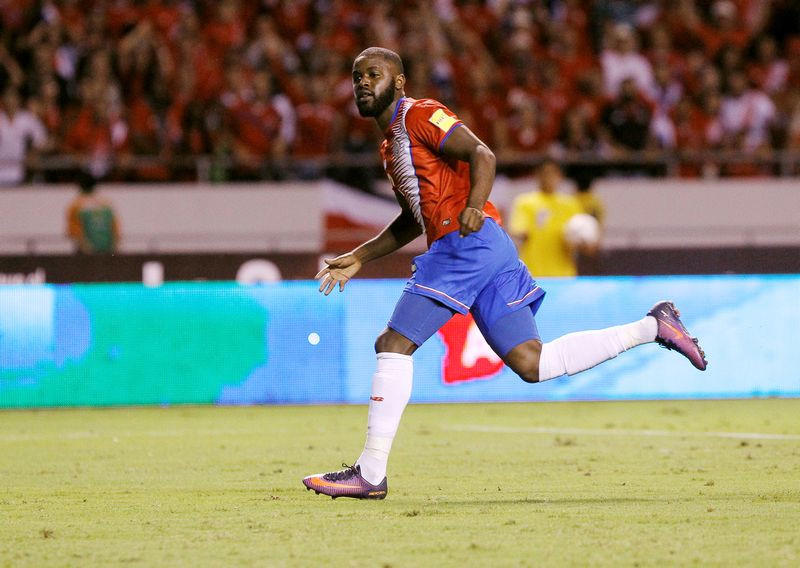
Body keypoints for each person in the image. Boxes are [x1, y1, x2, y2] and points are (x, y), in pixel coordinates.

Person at [302, 47, 707, 501]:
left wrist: (473, 206)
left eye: (372, 74)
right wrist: (360, 255)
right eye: (356, 76)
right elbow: (412, 218)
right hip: (484, 247)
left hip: (466, 243)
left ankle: (370, 473)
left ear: (398, 82)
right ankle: (653, 326)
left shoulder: (420, 115)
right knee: (533, 363)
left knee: (392, 344)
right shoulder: (390, 143)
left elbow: (482, 154)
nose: (362, 82)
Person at [508, 159, 584, 277]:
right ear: (537, 175)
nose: (549, 177)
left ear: (560, 176)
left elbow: (583, 238)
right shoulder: (525, 202)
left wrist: (581, 240)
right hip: (534, 274)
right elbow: (518, 230)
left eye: (553, 173)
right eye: (545, 173)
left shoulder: (570, 204)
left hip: (564, 275)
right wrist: (536, 227)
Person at [66, 172, 120, 254]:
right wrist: (114, 248)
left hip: (86, 253)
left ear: (79, 186)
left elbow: (74, 232)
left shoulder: (76, 205)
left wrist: (87, 249)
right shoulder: (105, 204)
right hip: (108, 251)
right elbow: (115, 229)